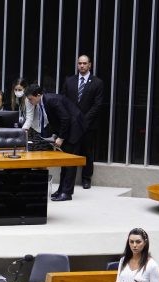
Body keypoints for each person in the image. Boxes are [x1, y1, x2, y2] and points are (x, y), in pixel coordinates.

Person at [24, 83, 85, 201]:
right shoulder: (43, 101)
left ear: (38, 95)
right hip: (68, 129)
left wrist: (61, 138)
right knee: (64, 162)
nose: (30, 102)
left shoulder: (51, 100)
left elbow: (65, 118)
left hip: (75, 128)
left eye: (31, 99)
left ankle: (66, 193)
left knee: (69, 162)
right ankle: (62, 189)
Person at [61, 55, 104, 189]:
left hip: (88, 125)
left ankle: (86, 178)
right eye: (80, 63)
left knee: (87, 152)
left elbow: (97, 105)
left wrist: (83, 120)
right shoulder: (69, 81)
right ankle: (69, 180)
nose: (82, 66)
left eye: (85, 63)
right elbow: (63, 100)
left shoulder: (97, 82)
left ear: (90, 65)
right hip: (72, 125)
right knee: (70, 153)